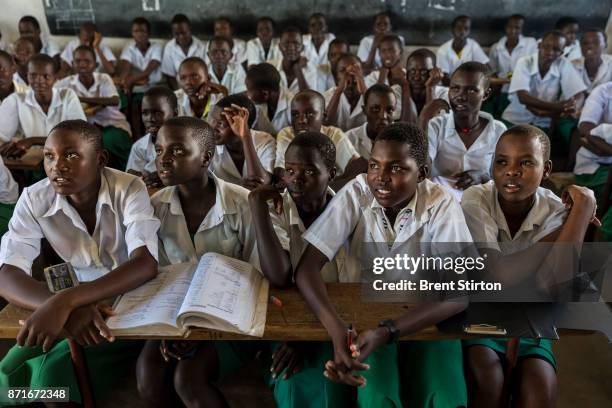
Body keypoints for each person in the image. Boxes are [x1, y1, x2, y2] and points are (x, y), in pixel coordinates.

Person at [295, 122, 471, 407]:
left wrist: (389, 331)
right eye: (374, 165)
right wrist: (338, 330)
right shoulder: (358, 192)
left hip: (427, 316)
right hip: (366, 319)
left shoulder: (440, 203)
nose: (381, 178)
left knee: (446, 397)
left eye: (397, 168)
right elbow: (307, 268)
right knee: (378, 395)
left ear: (422, 173)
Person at [0, 119, 160, 405]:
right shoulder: (34, 198)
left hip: (130, 304)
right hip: (80, 309)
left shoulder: (129, 189)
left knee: (53, 379)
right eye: (49, 156)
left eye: (72, 155)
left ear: (101, 160)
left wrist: (66, 301)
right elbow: (8, 273)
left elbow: (145, 263)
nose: (56, 166)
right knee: (7, 372)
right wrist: (60, 306)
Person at [461, 124, 598, 408]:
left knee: (540, 391)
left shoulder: (556, 208)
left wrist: (583, 206)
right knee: (489, 383)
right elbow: (496, 273)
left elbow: (555, 285)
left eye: (526, 162)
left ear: (546, 169)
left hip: (533, 321)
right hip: (483, 317)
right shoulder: (476, 198)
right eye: (501, 162)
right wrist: (573, 224)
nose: (511, 171)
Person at [135, 117, 261, 407]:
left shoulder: (242, 204)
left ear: (206, 157)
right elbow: (158, 275)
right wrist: (173, 328)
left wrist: (203, 330)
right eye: (159, 150)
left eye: (177, 151)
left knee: (188, 382)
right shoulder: (156, 207)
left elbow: (258, 276)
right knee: (148, 380)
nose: (163, 160)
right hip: (173, 315)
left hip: (230, 318)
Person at [248, 132, 342, 406]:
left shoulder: (348, 211)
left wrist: (308, 339)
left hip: (337, 320)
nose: (296, 180)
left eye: (309, 171)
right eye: (289, 171)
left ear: (331, 174)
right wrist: (257, 205)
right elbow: (279, 276)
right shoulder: (276, 209)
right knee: (293, 382)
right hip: (288, 323)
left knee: (333, 386)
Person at [428, 62, 507, 200]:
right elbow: (422, 171)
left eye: (471, 90)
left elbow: (503, 174)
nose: (461, 96)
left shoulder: (498, 131)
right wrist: (424, 120)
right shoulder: (437, 125)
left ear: (486, 94)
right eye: (455, 88)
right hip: (440, 201)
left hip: (481, 200)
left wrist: (483, 176)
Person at [501, 30, 586, 150]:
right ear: (539, 46)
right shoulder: (525, 62)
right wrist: (556, 107)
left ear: (561, 52)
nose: (550, 52)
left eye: (556, 49)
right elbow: (523, 97)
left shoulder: (563, 64)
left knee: (536, 151)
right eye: (546, 47)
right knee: (510, 147)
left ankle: (567, 168)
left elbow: (579, 93)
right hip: (516, 118)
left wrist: (571, 105)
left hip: (544, 122)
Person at [55, 45, 132, 170]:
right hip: (84, 129)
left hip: (111, 124)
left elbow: (114, 100)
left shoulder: (103, 79)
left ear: (95, 64)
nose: (83, 65)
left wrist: (80, 99)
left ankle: (126, 173)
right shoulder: (66, 83)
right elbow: (53, 94)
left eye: (87, 61)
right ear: (73, 64)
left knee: (108, 141)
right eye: (78, 61)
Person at [275, 90, 366, 190]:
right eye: (295, 114)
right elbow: (281, 175)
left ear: (324, 115)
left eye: (309, 114)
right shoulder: (287, 134)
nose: (301, 120)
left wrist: (320, 187)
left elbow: (360, 169)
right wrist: (338, 181)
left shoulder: (333, 134)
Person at [0, 54, 85, 156]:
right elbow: (2, 137)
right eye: (33, 75)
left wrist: (32, 141)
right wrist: (11, 145)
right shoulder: (15, 100)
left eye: (46, 76)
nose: (39, 80)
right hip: (32, 161)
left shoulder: (67, 96)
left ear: (55, 78)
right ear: (27, 75)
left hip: (65, 158)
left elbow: (80, 135)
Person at [209, 94, 275, 188]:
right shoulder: (208, 145)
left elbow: (260, 184)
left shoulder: (264, 140)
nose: (213, 127)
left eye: (221, 123)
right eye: (212, 120)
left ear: (242, 125)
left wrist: (245, 136)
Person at [486, 14, 538, 118]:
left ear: (521, 29)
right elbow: (493, 72)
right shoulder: (496, 48)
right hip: (503, 89)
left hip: (525, 90)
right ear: (506, 27)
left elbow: (535, 67)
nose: (513, 31)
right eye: (510, 27)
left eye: (517, 28)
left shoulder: (530, 44)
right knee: (501, 114)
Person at [127, 85, 178, 188]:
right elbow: (134, 182)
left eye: (158, 113)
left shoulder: (187, 143)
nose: (150, 119)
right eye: (145, 113)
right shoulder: (139, 147)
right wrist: (135, 179)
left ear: (175, 114)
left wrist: (169, 177)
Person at [345, 84, 397, 160]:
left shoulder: (404, 141)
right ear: (364, 110)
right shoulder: (349, 140)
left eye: (390, 110)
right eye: (376, 109)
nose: (383, 116)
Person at [116, 17, 163, 94]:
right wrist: (124, 81)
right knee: (124, 91)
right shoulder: (129, 48)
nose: (139, 34)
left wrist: (131, 79)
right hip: (137, 85)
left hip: (155, 86)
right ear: (132, 33)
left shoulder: (156, 47)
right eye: (136, 31)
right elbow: (125, 69)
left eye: (143, 31)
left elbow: (147, 72)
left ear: (148, 33)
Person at [436, 15, 489, 84]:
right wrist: (460, 87)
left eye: (466, 28)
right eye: (459, 28)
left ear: (469, 31)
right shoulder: (443, 50)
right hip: (448, 87)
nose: (462, 31)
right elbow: (444, 78)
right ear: (453, 29)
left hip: (470, 85)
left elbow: (485, 67)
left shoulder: (473, 45)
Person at [161, 14, 207, 90]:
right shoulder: (169, 47)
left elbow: (205, 73)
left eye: (184, 32)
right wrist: (180, 93)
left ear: (190, 29)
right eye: (177, 34)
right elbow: (170, 76)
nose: (181, 37)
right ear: (172, 33)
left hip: (199, 88)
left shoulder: (201, 46)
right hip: (179, 88)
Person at [323, 53, 368, 131]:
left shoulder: (371, 94)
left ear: (362, 73)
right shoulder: (329, 95)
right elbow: (326, 124)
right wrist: (339, 90)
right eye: (343, 70)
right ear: (336, 77)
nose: (350, 73)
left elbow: (376, 116)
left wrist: (362, 83)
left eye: (355, 69)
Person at [247, 63, 293, 136]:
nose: (247, 94)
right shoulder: (259, 102)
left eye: (249, 90)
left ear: (265, 94)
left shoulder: (292, 105)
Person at [269, 27, 319, 93]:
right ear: (280, 47)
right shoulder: (271, 68)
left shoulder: (311, 69)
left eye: (296, 44)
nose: (291, 48)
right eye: (286, 43)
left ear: (302, 48)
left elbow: (309, 99)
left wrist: (298, 69)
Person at [571, 29, 611, 94]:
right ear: (580, 47)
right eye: (585, 43)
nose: (590, 46)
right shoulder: (571, 66)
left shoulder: (610, 64)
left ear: (605, 45)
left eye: (596, 42)